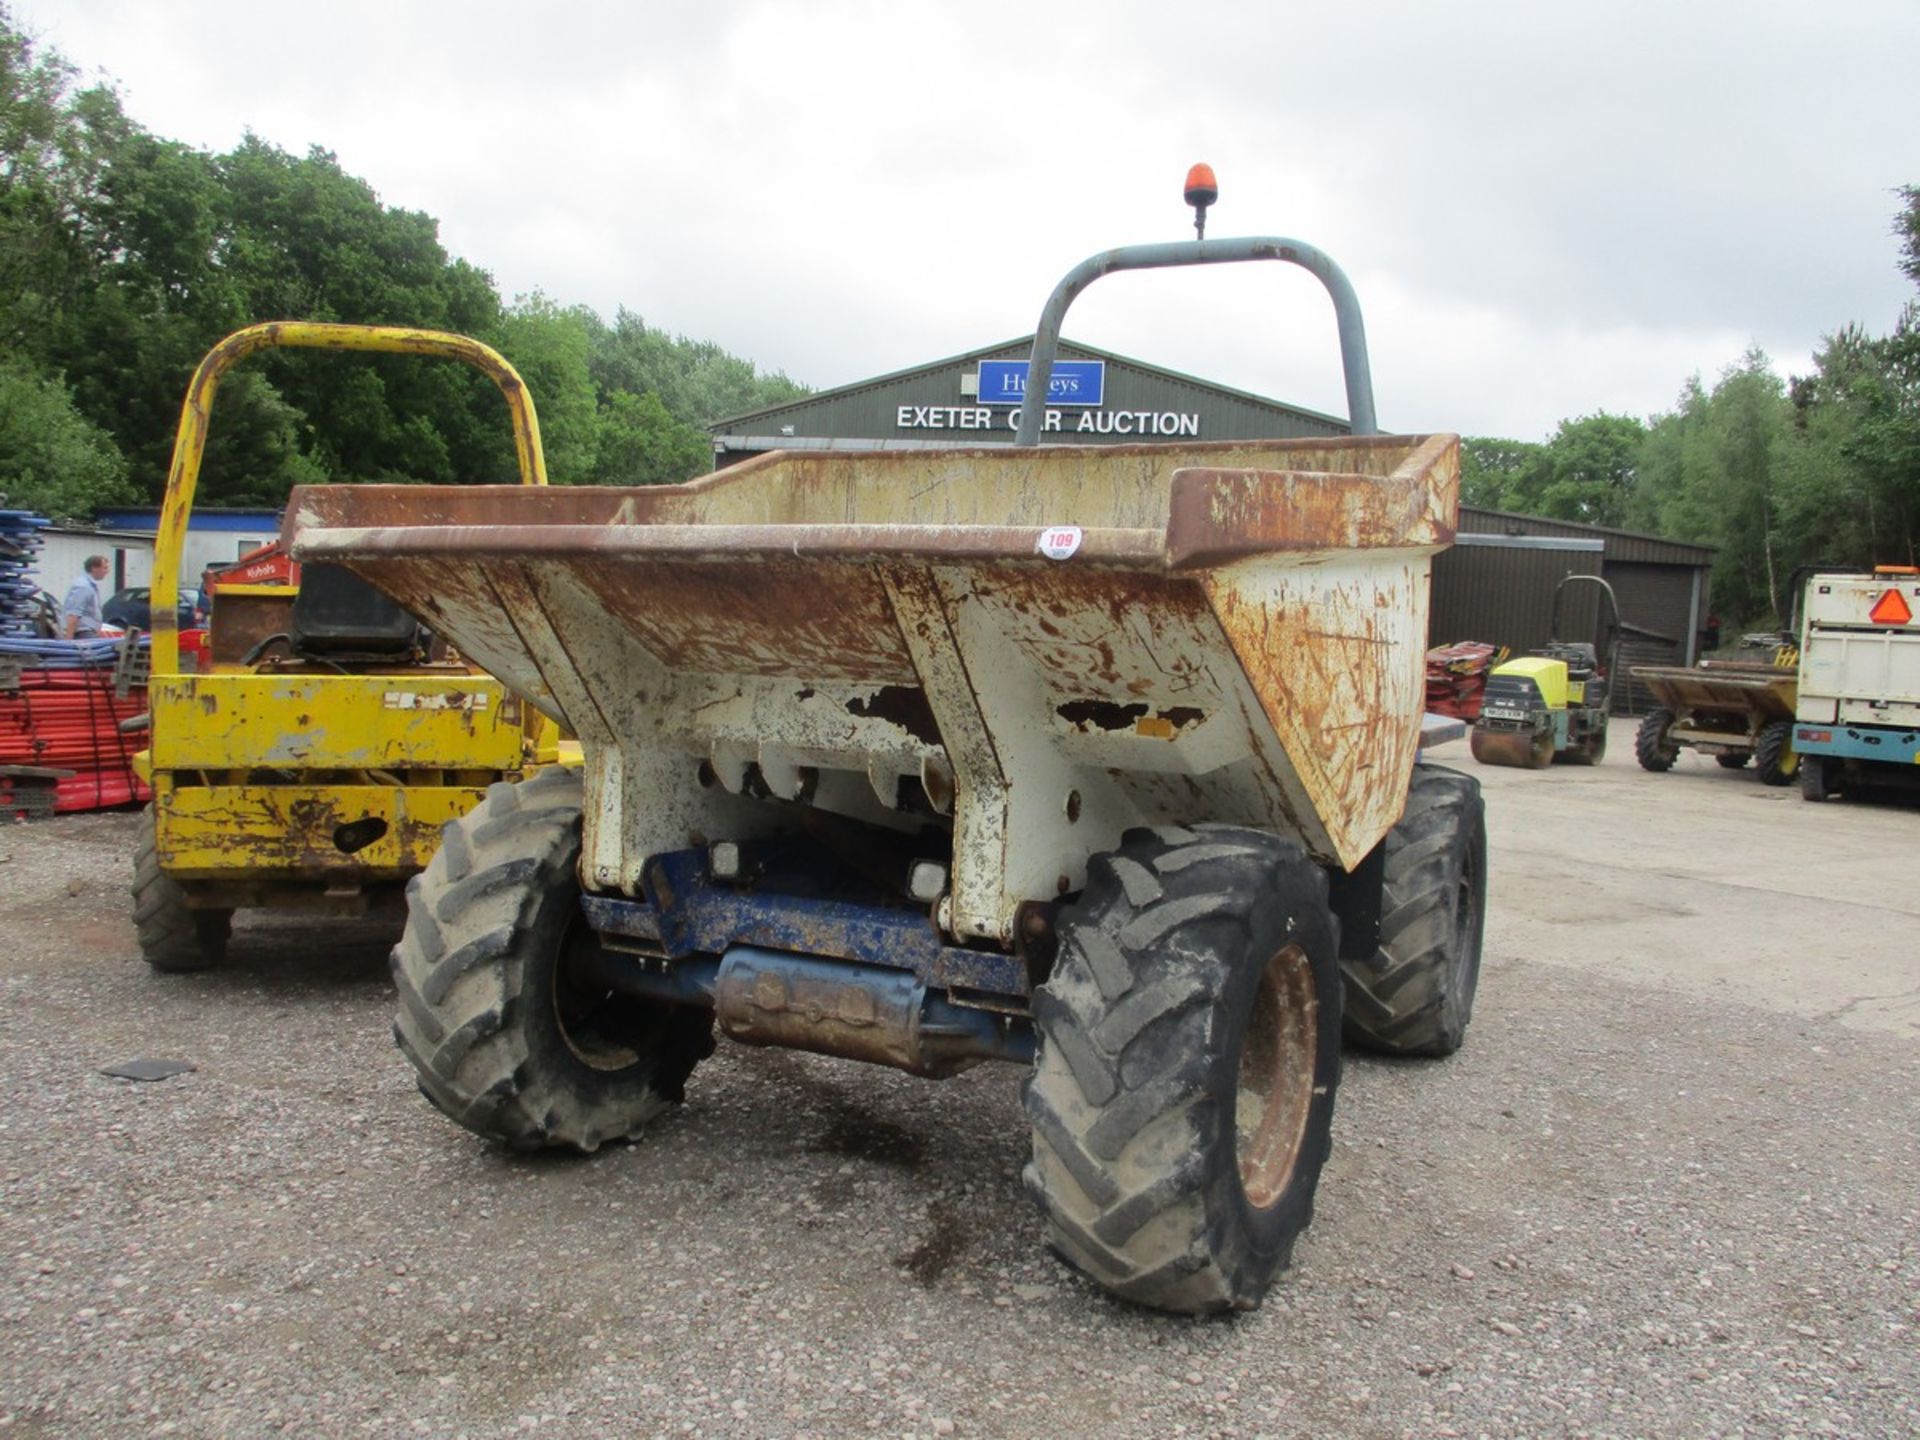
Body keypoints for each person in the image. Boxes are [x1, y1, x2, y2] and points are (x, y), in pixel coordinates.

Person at [62, 555, 110, 640]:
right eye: (104, 568)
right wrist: (68, 640)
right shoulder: (83, 586)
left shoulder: (89, 585)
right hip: (83, 634)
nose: (107, 571)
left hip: (89, 632)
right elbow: (74, 614)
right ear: (94, 568)